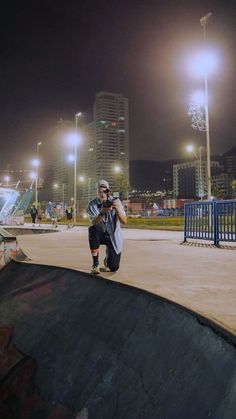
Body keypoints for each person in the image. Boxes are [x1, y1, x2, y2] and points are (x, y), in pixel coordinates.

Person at [87, 180, 127, 274]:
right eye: (99, 192)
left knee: (114, 267)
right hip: (100, 233)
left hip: (112, 235)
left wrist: (117, 209)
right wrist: (102, 212)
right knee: (93, 228)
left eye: (104, 192)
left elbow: (124, 221)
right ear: (97, 192)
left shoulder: (116, 201)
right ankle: (95, 264)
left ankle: (107, 258)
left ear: (108, 191)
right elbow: (94, 222)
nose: (102, 194)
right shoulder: (92, 204)